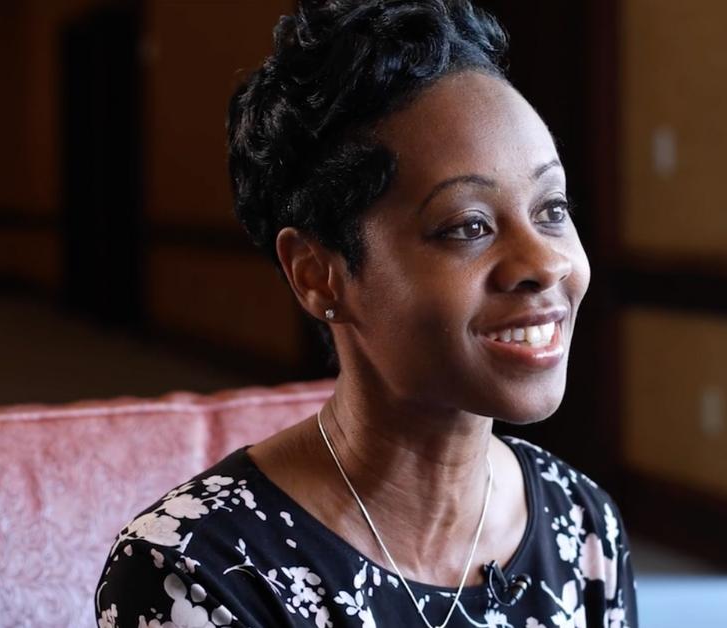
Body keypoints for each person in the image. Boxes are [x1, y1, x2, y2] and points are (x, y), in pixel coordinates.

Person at [95, 1, 637, 626]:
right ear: (316, 274)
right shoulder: (196, 571)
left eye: (551, 210)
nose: (545, 263)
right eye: (469, 225)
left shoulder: (584, 525)